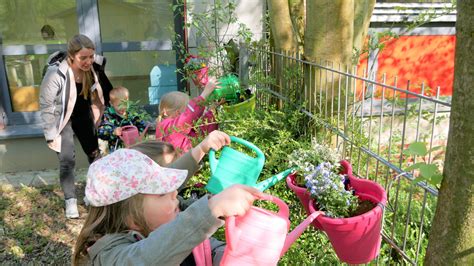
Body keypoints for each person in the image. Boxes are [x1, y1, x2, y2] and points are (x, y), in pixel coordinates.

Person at [73, 131, 263, 265]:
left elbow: (205, 247)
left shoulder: (158, 220)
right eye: (162, 191)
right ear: (131, 216)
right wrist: (211, 210)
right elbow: (148, 257)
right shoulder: (108, 256)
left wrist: (229, 257)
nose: (175, 192)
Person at [39, 34, 113, 219]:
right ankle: (70, 200)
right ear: (71, 56)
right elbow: (47, 105)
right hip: (62, 120)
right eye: (83, 58)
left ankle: (94, 193)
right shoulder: (56, 74)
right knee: (67, 160)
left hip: (84, 116)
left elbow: (108, 91)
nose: (88, 61)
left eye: (91, 56)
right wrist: (50, 134)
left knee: (95, 155)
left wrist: (111, 116)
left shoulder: (94, 67)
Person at [155, 77, 221, 154]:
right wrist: (204, 94)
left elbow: (197, 135)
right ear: (166, 112)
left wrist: (212, 113)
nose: (184, 115)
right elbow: (188, 116)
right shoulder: (166, 126)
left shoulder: (180, 131)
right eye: (183, 111)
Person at [97, 86, 148, 152]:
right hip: (118, 151)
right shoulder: (109, 115)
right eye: (119, 105)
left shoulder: (131, 113)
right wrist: (113, 131)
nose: (123, 107)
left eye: (125, 104)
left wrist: (142, 131)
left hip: (134, 148)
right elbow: (101, 132)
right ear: (111, 103)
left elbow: (141, 125)